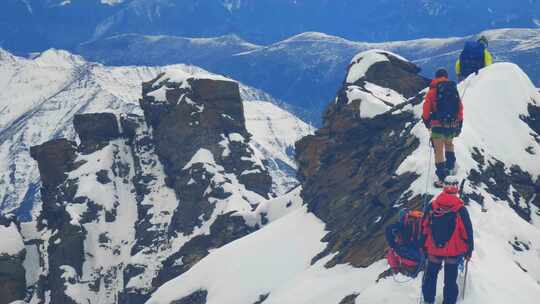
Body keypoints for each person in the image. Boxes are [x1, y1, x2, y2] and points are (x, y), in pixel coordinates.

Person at [421, 177, 474, 304]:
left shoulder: (433, 205)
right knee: (450, 280)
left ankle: (428, 301)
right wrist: (469, 250)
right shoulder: (460, 209)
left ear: (444, 187)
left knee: (430, 276)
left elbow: (424, 225)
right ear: (456, 188)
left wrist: (422, 244)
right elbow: (467, 231)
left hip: (434, 249)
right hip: (453, 251)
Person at [422, 68, 464, 187]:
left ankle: (442, 177)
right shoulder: (453, 89)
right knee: (449, 144)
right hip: (451, 124)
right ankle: (450, 168)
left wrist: (426, 121)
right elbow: (460, 108)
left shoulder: (432, 91)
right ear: (446, 76)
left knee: (439, 150)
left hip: (437, 124)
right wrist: (459, 123)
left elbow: (426, 109)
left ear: (436, 77)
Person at [385, 209, 425, 277]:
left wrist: (392, 244)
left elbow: (388, 228)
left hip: (415, 254)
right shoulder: (417, 221)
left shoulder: (402, 226)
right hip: (422, 249)